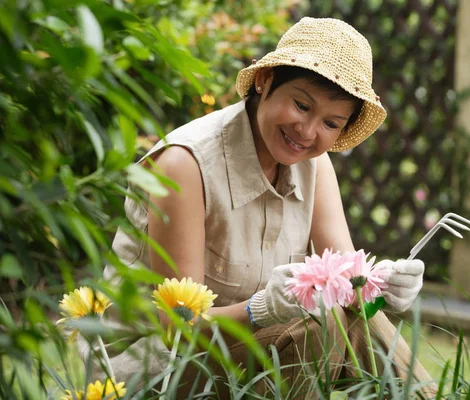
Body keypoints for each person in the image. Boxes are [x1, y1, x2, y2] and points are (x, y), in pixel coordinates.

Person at [93, 16, 438, 398]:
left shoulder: (315, 166)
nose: (307, 132)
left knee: (350, 321)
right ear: (265, 80)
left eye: (331, 122)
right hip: (152, 370)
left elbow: (349, 293)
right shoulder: (185, 166)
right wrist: (260, 309)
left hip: (243, 356)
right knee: (317, 327)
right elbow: (178, 328)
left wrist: (379, 289)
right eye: (301, 105)